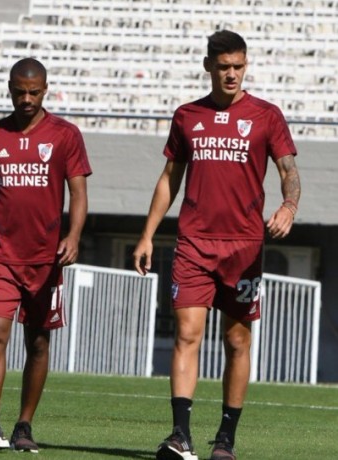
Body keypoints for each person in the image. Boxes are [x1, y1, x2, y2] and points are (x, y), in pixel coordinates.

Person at [133, 30, 300, 460]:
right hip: (193, 242)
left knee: (237, 341)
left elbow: (287, 169)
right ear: (208, 66)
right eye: (223, 66)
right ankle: (180, 436)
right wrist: (148, 233)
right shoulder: (187, 115)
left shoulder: (266, 115)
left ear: (246, 66)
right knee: (187, 334)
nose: (231, 74)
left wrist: (289, 205)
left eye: (238, 66)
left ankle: (225, 438)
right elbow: (170, 178)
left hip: (244, 248)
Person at [0, 57, 91, 453]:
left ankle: (23, 425)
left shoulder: (65, 135)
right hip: (0, 256)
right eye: (19, 91)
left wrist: (73, 235)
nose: (26, 99)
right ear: (9, 89)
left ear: (46, 90)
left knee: (37, 342)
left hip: (45, 259)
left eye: (34, 92)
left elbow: (79, 194)